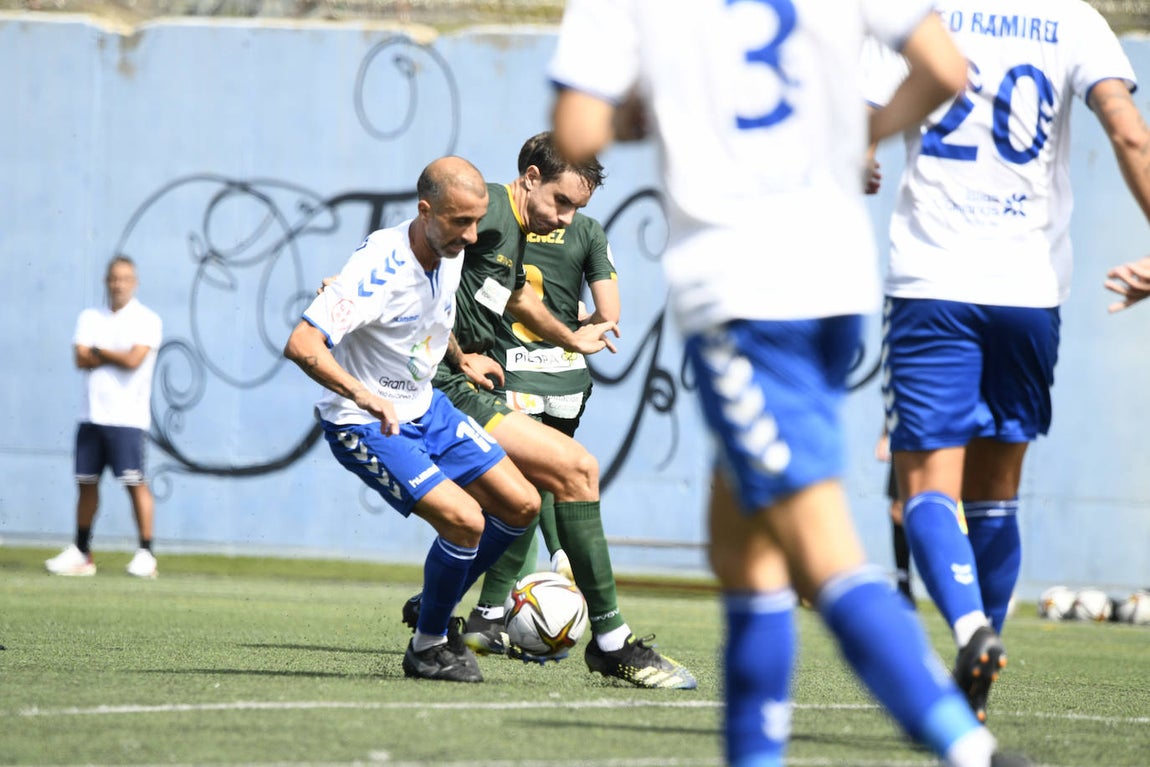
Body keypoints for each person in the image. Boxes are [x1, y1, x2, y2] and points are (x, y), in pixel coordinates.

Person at [548, 2, 1031, 766]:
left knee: (818, 542)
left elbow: (575, 133)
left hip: (745, 294)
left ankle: (968, 748)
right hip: (836, 279)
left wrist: (656, 106)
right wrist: (854, 137)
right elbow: (944, 68)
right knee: (742, 548)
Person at [864, 0, 1150, 725]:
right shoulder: (1076, 20)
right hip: (1029, 291)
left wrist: (861, 151)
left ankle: (970, 630)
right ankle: (975, 692)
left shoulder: (918, 12)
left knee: (926, 485)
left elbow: (861, 116)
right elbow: (1128, 133)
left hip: (933, 284)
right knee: (996, 493)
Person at [404, 131, 696, 689]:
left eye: (577, 209)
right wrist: (452, 354)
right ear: (530, 178)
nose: (564, 219)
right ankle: (612, 644)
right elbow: (410, 248)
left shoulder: (516, 231)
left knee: (516, 506)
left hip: (462, 380)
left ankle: (439, 615)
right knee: (577, 470)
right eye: (560, 202)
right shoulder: (487, 210)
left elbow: (516, 299)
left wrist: (569, 337)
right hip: (438, 387)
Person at [284, 156, 553, 683]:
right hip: (364, 422)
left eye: (477, 221)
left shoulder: (450, 247)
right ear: (425, 211)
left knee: (522, 504)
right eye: (460, 222)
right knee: (465, 519)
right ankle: (428, 646)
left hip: (426, 405)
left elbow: (433, 315)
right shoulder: (378, 270)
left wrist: (460, 359)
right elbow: (301, 343)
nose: (472, 235)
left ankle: (436, 598)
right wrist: (364, 397)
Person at [462, 209, 619, 647]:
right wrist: (580, 321)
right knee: (549, 475)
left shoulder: (504, 226)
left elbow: (494, 294)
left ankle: (489, 613)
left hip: (512, 374)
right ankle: (561, 552)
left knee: (520, 493)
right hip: (568, 379)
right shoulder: (587, 229)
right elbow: (610, 315)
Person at [47, 255, 163, 579]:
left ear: (134, 282)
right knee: (86, 484)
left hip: (128, 419)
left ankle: (146, 553)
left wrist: (99, 352)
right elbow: (80, 358)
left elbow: (133, 360)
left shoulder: (147, 319)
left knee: (134, 482)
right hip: (91, 416)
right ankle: (82, 553)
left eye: (125, 278)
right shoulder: (90, 317)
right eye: (113, 278)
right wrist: (108, 354)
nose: (118, 284)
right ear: (106, 281)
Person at [876, 430, 915, 606]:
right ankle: (903, 583)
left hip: (939, 432)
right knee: (897, 511)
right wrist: (885, 434)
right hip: (905, 435)